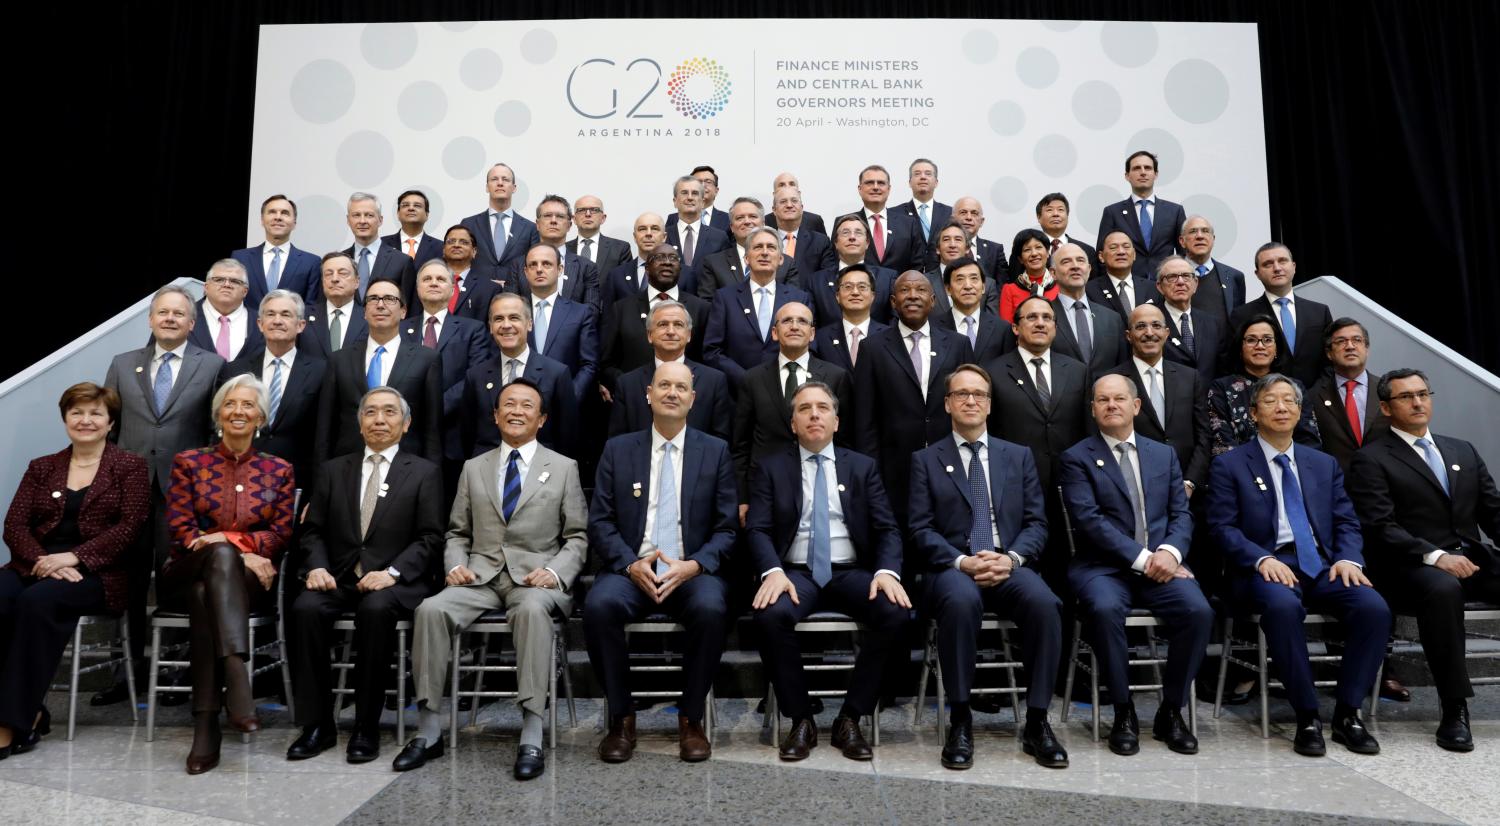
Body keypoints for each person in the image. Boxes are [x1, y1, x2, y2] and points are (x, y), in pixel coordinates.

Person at [396, 378, 588, 779]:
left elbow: (577, 537)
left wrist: (554, 572)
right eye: (509, 405)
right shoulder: (473, 467)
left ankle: (531, 734)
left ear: (542, 419)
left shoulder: (564, 467)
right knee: (430, 610)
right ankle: (428, 730)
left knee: (533, 613)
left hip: (535, 580)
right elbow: (457, 532)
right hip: (479, 576)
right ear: (496, 415)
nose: (517, 411)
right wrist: (454, 566)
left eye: (527, 406)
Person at [1206, 373, 1387, 757]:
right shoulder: (1231, 464)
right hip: (1265, 565)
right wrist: (1261, 557)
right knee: (1283, 607)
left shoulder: (1322, 464)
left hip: (1322, 565)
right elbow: (1221, 528)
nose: (1282, 407)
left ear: (1300, 411)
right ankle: (1307, 716)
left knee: (1373, 607)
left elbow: (1346, 521)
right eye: (1271, 401)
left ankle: (1348, 714)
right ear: (1254, 412)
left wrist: (1349, 557)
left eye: (1289, 400)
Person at [909, 365, 1067, 770]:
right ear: (947, 404)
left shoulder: (1017, 456)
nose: (970, 401)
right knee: (960, 604)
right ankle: (960, 719)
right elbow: (920, 529)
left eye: (978, 394)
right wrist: (962, 561)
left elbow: (1037, 523)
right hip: (953, 567)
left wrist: (1010, 558)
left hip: (1008, 561)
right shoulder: (926, 460)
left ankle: (1037, 721)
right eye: (961, 394)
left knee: (1046, 604)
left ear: (990, 404)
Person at [585, 362, 738, 763]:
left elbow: (727, 529)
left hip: (690, 570)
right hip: (632, 568)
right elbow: (599, 520)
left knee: (711, 607)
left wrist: (695, 565)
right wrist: (627, 563)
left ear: (693, 398)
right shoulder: (619, 449)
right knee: (599, 606)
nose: (672, 392)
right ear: (648, 394)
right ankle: (622, 718)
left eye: (681, 387)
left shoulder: (716, 451)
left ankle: (690, 718)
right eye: (664, 385)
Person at [747, 381, 909, 761]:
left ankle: (851, 717)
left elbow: (887, 528)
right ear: (793, 424)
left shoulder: (862, 467)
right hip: (795, 572)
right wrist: (772, 570)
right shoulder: (771, 468)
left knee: (894, 612)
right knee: (770, 616)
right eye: (804, 409)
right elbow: (757, 528)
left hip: (851, 570)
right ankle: (800, 719)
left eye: (823, 408)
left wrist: (886, 571)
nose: (814, 414)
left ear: (836, 421)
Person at [288, 387, 444, 764]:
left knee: (375, 611)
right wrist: (317, 567)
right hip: (339, 576)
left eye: (390, 412)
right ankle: (318, 725)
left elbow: (431, 537)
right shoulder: (332, 470)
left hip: (394, 583)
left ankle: (365, 726)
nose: (379, 420)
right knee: (305, 609)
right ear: (359, 423)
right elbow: (312, 530)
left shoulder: (424, 472)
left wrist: (392, 572)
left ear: (405, 424)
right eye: (371, 412)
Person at [1347, 368, 1500, 752]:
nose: (1417, 402)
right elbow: (1379, 526)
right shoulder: (1372, 459)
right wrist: (1435, 556)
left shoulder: (1461, 449)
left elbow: (1493, 512)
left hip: (1470, 560)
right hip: (1408, 568)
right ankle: (1454, 709)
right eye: (1405, 397)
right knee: (1444, 589)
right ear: (1385, 406)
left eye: (1422, 394)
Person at [1060, 374, 1212, 757]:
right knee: (1105, 609)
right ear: (1093, 409)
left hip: (1164, 564)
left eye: (1119, 399)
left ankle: (1171, 711)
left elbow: (1181, 512)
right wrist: (1147, 560)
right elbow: (1090, 523)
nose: (1111, 405)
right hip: (1103, 567)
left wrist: (1172, 553)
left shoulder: (1163, 454)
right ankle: (1124, 712)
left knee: (1198, 611)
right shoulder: (1076, 457)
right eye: (1102, 400)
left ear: (1136, 405)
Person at [0, 383, 149, 757]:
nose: (86, 421)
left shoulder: (129, 467)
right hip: (36, 563)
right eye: (77, 413)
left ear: (110, 421)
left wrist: (75, 557)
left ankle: (11, 721)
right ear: (65, 418)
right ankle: (31, 710)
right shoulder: (42, 466)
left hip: (100, 572)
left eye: (96, 413)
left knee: (37, 603)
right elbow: (14, 525)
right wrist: (43, 561)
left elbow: (130, 527)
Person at [160, 374, 294, 773]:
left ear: (261, 417)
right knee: (215, 557)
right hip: (183, 571)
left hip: (241, 584)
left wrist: (227, 545)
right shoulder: (189, 462)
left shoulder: (279, 469)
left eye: (248, 405)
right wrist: (239, 549)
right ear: (219, 413)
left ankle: (206, 727)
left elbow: (280, 534)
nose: (239, 411)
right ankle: (237, 674)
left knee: (208, 592)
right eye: (231, 404)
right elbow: (183, 532)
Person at [101, 284, 225, 705]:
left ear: (192, 323)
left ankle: (175, 669)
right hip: (131, 493)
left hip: (184, 497)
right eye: (162, 313)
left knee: (177, 581)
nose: (170, 319)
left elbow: (214, 433)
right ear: (151, 319)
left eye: (178, 314)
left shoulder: (212, 365)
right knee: (129, 583)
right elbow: (109, 430)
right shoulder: (122, 365)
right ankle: (128, 671)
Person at [851, 271, 975, 529]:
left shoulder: (958, 344)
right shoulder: (872, 348)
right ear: (893, 302)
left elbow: (970, 405)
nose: (912, 296)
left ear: (933, 301)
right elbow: (864, 418)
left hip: (950, 461)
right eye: (905, 291)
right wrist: (870, 474)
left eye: (919, 290)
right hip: (894, 467)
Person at [732, 302, 853, 517]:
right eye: (787, 321)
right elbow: (741, 444)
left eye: (802, 321)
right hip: (764, 488)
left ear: (812, 333)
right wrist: (742, 497)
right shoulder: (752, 378)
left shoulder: (836, 376)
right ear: (775, 333)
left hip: (821, 482)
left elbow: (845, 439)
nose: (795, 326)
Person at [315, 278, 442, 465]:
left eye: (390, 299)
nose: (380, 305)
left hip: (407, 468)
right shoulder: (339, 360)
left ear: (403, 311)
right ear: (364, 312)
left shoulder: (426, 359)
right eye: (373, 299)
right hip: (348, 466)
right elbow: (325, 428)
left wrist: (432, 477)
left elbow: (433, 429)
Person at [217, 289, 328, 491]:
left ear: (301, 325)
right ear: (260, 324)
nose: (277, 321)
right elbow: (219, 427)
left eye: (286, 314)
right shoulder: (235, 370)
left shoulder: (322, 371)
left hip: (297, 481)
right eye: (270, 314)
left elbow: (324, 437)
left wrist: (317, 494)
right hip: (238, 477)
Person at [460, 293, 577, 457]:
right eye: (499, 319)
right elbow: (468, 433)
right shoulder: (475, 376)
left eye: (514, 318)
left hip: (541, 472)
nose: (506, 325)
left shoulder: (557, 373)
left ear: (529, 324)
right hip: (488, 471)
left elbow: (567, 438)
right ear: (491, 327)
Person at [1113, 304, 1211, 499]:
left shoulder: (1190, 377)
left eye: (1156, 326)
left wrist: (1190, 482)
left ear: (1166, 333)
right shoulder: (1113, 380)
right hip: (1134, 490)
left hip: (1187, 491)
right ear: (1128, 335)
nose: (1149, 333)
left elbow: (1203, 434)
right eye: (1140, 326)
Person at [702, 227, 814, 391]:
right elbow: (712, 350)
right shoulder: (725, 298)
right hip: (738, 393)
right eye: (758, 247)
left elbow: (809, 346)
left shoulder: (798, 298)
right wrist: (747, 379)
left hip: (786, 390)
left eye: (771, 247)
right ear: (747, 258)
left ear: (781, 259)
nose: (764, 252)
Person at [608, 300, 732, 440]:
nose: (671, 332)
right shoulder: (627, 384)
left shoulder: (714, 381)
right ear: (649, 335)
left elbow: (721, 443)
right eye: (663, 324)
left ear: (689, 335)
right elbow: (617, 444)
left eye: (678, 325)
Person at [598, 245, 710, 395]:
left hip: (687, 397)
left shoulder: (702, 309)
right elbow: (606, 361)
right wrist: (630, 384)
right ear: (646, 269)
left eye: (673, 258)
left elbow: (708, 358)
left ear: (680, 269)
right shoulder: (622, 309)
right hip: (634, 397)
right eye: (659, 258)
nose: (667, 262)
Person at [1207, 314, 1321, 457]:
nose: (1260, 346)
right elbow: (1222, 443)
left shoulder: (1294, 386)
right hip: (1240, 471)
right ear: (1240, 349)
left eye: (1267, 340)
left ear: (1276, 348)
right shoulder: (1221, 388)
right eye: (1251, 340)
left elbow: (1309, 439)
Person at [1228, 243, 1332, 389]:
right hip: (1264, 400)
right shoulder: (1241, 315)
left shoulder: (1320, 312)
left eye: (1282, 261)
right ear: (1257, 274)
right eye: (1268, 264)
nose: (1277, 268)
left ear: (1294, 266)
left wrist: (1313, 398)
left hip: (1314, 401)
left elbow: (1330, 362)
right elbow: (1234, 363)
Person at [1308, 318, 1390, 469]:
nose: (1350, 346)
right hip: (1337, 485)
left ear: (1367, 349)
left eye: (1357, 340)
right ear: (1329, 353)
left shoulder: (1389, 390)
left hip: (1387, 483)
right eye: (1341, 341)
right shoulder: (1313, 397)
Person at [520, 245, 598, 402]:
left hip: (565, 403)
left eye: (546, 264)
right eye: (533, 265)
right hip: (521, 403)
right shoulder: (514, 313)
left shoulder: (580, 313)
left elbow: (589, 364)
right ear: (526, 272)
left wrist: (570, 396)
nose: (539, 269)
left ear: (560, 269)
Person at [1095, 150, 1187, 278]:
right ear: (1127, 176)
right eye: (1137, 168)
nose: (1143, 172)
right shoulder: (1112, 212)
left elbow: (1185, 253)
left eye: (1148, 168)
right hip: (1127, 286)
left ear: (1156, 174)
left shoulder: (1175, 211)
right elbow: (1102, 256)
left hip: (1166, 284)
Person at [501, 195, 602, 310]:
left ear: (569, 225)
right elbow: (509, 309)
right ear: (537, 224)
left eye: (560, 216)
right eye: (548, 216)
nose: (553, 221)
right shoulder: (518, 265)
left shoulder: (586, 267)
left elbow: (591, 311)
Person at [698, 196, 801, 301]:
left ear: (763, 223)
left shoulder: (786, 263)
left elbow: (793, 302)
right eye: (740, 218)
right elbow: (707, 304)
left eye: (752, 216)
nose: (747, 221)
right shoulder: (714, 263)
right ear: (732, 227)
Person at [231, 194, 323, 306]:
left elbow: (311, 307)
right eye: (272, 212)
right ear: (262, 220)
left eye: (285, 213)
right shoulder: (240, 258)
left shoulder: (311, 262)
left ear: (294, 223)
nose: (278, 217)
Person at [1050, 242, 1125, 376]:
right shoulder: (1045, 316)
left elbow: (1123, 367)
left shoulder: (1112, 319)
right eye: (1066, 262)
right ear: (1053, 273)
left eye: (1080, 260)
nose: (1075, 266)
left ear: (1089, 269)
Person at [809, 214, 898, 326]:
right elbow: (811, 323)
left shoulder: (887, 278)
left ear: (867, 243)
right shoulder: (816, 281)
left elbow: (894, 321)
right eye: (845, 233)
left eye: (858, 233)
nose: (852, 237)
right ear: (836, 243)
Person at [1152, 256, 1224, 388]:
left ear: (1195, 284)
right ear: (1159, 286)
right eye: (1172, 277)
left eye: (1186, 276)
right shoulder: (1151, 323)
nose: (1180, 282)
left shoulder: (1213, 323)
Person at [460, 163, 540, 270]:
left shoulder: (530, 228)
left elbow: (533, 265)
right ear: (487, 187)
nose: (500, 183)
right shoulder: (469, 224)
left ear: (514, 188)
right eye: (494, 179)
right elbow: (461, 261)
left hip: (515, 286)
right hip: (478, 286)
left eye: (505, 179)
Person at [811, 264, 888, 375]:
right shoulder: (821, 338)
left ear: (873, 296)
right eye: (848, 287)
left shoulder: (889, 336)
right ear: (837, 296)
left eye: (862, 287)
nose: (855, 292)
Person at [932, 257, 1008, 362]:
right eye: (960, 279)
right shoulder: (933, 328)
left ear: (983, 287)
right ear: (948, 289)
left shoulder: (1003, 329)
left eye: (974, 278)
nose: (968, 286)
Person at [343, 192, 417, 302]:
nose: (362, 221)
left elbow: (407, 307)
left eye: (369, 215)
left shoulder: (401, 261)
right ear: (348, 220)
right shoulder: (340, 260)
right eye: (356, 215)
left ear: (380, 220)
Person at [1176, 215, 1245, 329]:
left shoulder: (1234, 277)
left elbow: (1239, 321)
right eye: (1193, 231)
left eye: (1205, 231)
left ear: (1213, 239)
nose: (1200, 236)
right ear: (1182, 241)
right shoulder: (1169, 277)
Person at [188, 259, 263, 362]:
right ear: (206, 287)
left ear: (245, 291)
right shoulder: (185, 315)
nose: (227, 285)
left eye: (235, 281)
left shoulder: (262, 322)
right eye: (219, 280)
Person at [858, 165, 927, 273]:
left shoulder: (909, 224)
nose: (875, 187)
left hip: (899, 288)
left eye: (881, 183)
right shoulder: (846, 223)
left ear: (889, 189)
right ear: (860, 189)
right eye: (869, 183)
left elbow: (917, 266)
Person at [298, 252, 368, 359]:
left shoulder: (370, 317)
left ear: (356, 282)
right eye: (329, 274)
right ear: (322, 282)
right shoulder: (302, 316)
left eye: (343, 273)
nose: (334, 279)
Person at [926, 221, 999, 318]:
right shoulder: (924, 281)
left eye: (958, 239)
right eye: (946, 239)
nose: (952, 245)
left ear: (967, 248)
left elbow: (991, 325)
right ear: (938, 249)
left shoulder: (988, 285)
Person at [1087, 231, 1160, 320]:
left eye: (1126, 247)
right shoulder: (1089, 290)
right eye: (1113, 248)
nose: (1121, 252)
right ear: (1101, 256)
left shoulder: (1153, 288)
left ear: (1134, 254)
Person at [665, 175, 730, 272]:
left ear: (703, 202)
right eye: (684, 193)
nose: (690, 197)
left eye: (695, 193)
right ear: (675, 201)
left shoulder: (719, 238)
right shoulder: (663, 236)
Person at [1028, 192, 1097, 279]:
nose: (1055, 214)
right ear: (1038, 217)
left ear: (1067, 216)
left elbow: (1094, 285)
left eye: (1060, 210)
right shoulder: (1026, 251)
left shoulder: (1087, 250)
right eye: (1049, 210)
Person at [770, 186, 836, 277]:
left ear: (801, 208)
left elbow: (827, 279)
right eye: (783, 201)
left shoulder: (820, 242)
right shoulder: (765, 242)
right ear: (774, 210)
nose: (789, 205)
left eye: (794, 201)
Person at [998, 229, 1059, 324]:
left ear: (1047, 253)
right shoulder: (1009, 290)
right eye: (1027, 250)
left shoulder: (1060, 287)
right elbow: (1006, 328)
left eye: (1038, 247)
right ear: (1020, 259)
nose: (1034, 253)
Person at [567, 194, 634, 275]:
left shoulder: (620, 249)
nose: (588, 214)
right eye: (581, 210)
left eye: (594, 210)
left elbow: (625, 284)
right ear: (574, 219)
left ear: (603, 218)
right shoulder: (563, 249)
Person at [894, 158, 950, 249]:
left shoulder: (949, 213)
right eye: (917, 174)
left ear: (936, 183)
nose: (923, 177)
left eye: (928, 174)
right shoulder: (895, 214)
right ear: (910, 183)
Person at [381, 189, 444, 269]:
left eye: (417, 205)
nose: (411, 208)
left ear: (427, 215)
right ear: (398, 214)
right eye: (405, 205)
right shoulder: (382, 244)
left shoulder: (440, 247)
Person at [951, 197, 1007, 281]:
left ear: (981, 222)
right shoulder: (942, 248)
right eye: (963, 212)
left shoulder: (995, 250)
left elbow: (1002, 285)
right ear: (953, 219)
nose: (969, 217)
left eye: (974, 213)